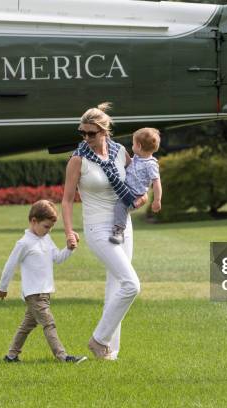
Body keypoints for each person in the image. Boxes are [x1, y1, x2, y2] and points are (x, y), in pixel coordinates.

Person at [62, 102, 148, 360]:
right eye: (83, 133)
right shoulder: (78, 159)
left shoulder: (120, 151)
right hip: (97, 228)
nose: (86, 138)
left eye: (91, 133)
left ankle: (109, 354)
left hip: (123, 226)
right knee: (132, 284)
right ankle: (98, 340)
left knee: (117, 287)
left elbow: (138, 178)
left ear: (105, 131)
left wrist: (143, 196)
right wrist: (69, 231)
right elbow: (66, 200)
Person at [0, 199, 86, 364]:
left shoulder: (46, 239)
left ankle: (11, 356)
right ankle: (63, 357)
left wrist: (70, 248)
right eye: (46, 227)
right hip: (34, 293)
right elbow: (10, 265)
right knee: (49, 323)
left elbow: (58, 258)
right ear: (33, 221)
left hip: (45, 292)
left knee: (27, 326)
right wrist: (2, 287)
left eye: (51, 228)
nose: (48, 231)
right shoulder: (24, 243)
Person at [110, 127, 162, 244]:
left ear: (138, 146)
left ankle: (119, 232)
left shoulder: (150, 164)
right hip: (126, 188)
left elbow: (156, 182)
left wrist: (157, 200)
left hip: (134, 195)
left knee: (120, 206)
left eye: (133, 143)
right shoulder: (137, 158)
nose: (132, 146)